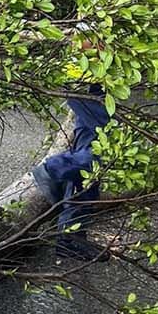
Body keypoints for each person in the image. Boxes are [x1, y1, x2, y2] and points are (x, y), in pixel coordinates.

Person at [41, 90, 109, 261]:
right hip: (85, 76)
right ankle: (52, 170)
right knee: (103, 146)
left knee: (91, 140)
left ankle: (71, 237)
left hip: (95, 80)